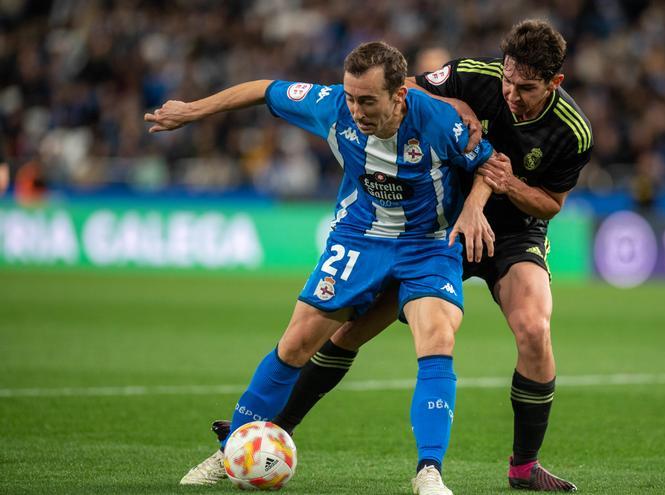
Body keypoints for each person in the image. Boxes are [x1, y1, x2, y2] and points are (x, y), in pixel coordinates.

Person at [148, 41, 499, 495]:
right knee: (295, 343)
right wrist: (193, 111)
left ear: (400, 96)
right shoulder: (330, 106)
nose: (355, 109)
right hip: (359, 238)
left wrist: (473, 208)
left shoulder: (439, 122)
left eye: (367, 100)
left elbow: (490, 164)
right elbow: (264, 88)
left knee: (437, 337)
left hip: (428, 244)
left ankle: (428, 473)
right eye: (351, 97)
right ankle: (230, 451)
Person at [262, 20, 590, 491]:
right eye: (508, 82)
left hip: (513, 229)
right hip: (435, 224)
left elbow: (551, 204)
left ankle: (523, 466)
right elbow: (406, 88)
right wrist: (456, 104)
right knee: (350, 332)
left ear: (555, 83)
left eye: (527, 88)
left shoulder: (572, 131)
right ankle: (277, 429)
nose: (512, 95)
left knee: (535, 328)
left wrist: (505, 182)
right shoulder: (473, 74)